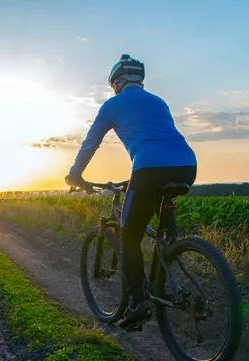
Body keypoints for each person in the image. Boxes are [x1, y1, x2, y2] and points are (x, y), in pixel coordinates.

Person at [65, 54, 198, 330]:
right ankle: (169, 251)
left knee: (129, 238)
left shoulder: (113, 105)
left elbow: (91, 143)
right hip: (187, 165)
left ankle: (139, 304)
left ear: (116, 82)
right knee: (161, 231)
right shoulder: (158, 102)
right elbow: (159, 139)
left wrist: (75, 174)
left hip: (149, 169)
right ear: (140, 79)